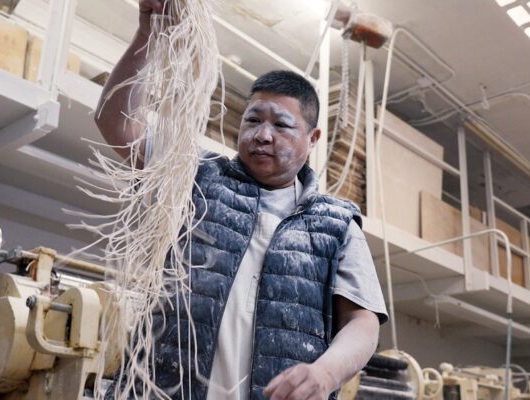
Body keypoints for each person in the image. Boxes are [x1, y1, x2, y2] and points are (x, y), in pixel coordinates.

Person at [95, 1, 387, 399]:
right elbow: (115, 122)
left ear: (312, 139)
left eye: (281, 124)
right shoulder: (195, 175)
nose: (262, 135)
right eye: (253, 120)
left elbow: (362, 323)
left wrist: (325, 373)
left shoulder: (335, 223)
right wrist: (149, 34)